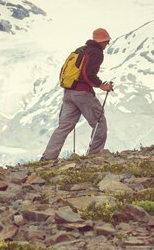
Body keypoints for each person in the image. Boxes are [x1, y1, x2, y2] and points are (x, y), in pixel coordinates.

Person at [41, 28, 114, 160]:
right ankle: (95, 155)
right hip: (82, 93)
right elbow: (88, 74)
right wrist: (101, 85)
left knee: (63, 127)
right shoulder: (96, 53)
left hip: (68, 92)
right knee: (99, 122)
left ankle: (48, 157)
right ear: (103, 41)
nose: (106, 45)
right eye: (107, 42)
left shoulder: (80, 50)